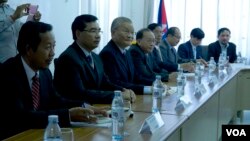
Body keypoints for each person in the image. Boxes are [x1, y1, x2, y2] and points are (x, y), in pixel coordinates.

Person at [0, 21, 107, 140]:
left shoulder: (45, 72)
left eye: (53, 46)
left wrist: (83, 106)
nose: (53, 53)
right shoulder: (8, 74)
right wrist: (68, 115)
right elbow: (21, 117)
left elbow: (55, 100)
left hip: (38, 134)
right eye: (47, 47)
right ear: (29, 49)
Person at [53, 14, 136, 104]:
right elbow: (79, 93)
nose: (98, 36)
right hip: (79, 112)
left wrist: (124, 91)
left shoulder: (96, 57)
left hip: (97, 108)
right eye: (93, 31)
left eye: (99, 31)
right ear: (78, 34)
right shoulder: (68, 58)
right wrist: (117, 96)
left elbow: (105, 83)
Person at [99, 17, 152, 95]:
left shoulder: (127, 52)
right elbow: (115, 83)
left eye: (132, 32)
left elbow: (136, 77)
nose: (130, 36)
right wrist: (146, 90)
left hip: (130, 96)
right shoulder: (108, 53)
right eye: (126, 31)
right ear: (113, 33)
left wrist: (154, 84)